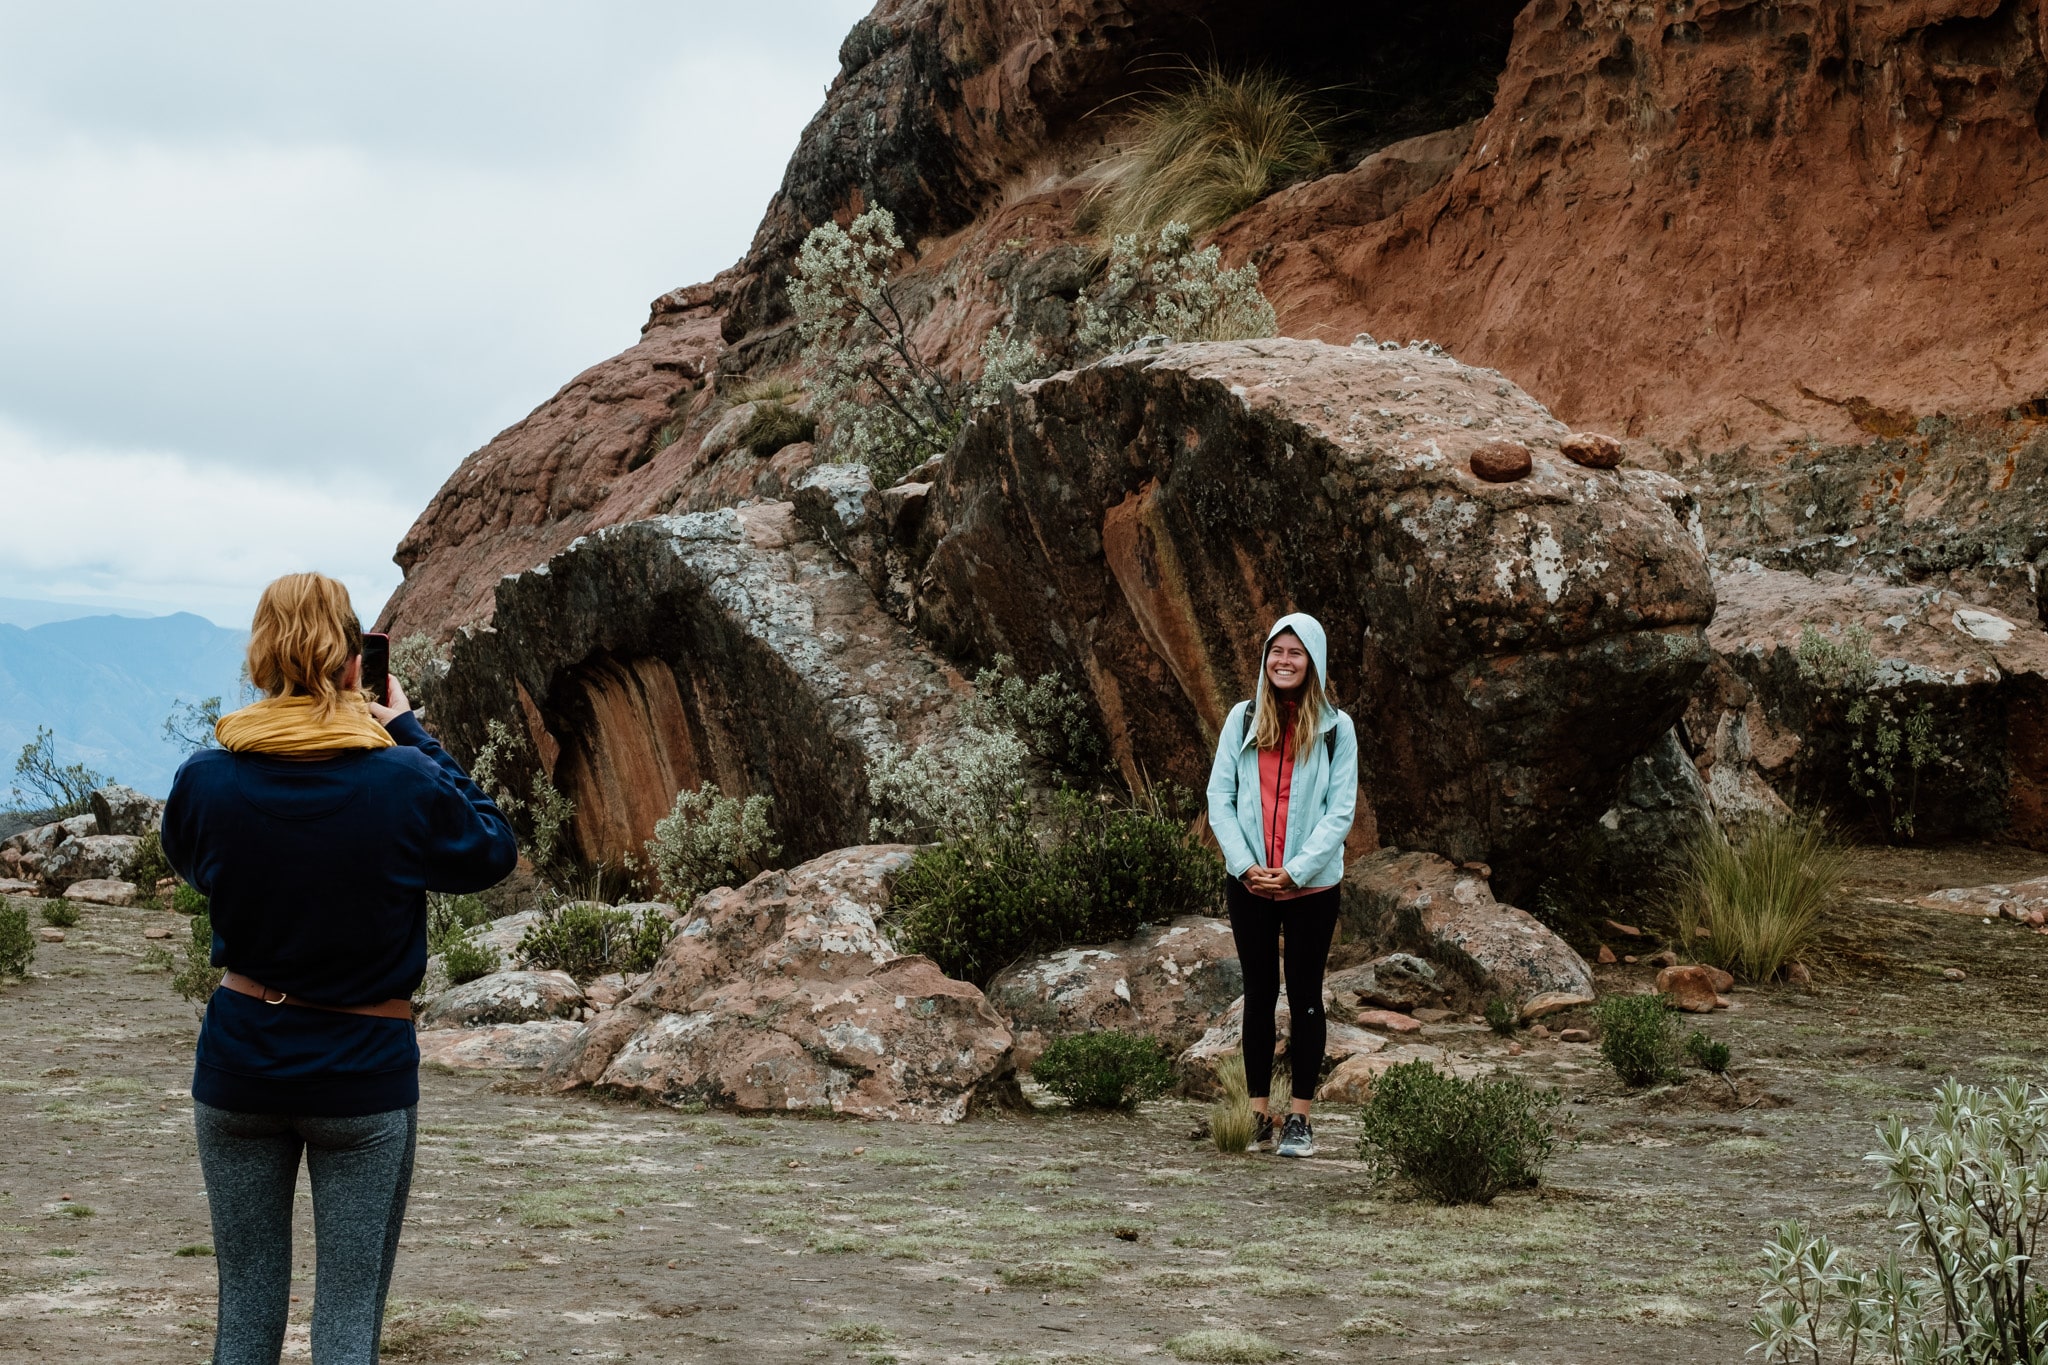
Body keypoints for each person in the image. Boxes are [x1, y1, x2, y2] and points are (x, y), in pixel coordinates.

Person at [162, 572, 518, 1365]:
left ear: (261, 654)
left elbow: (194, 863)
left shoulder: (206, 777)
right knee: (348, 1326)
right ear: (355, 662)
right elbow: (491, 849)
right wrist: (411, 729)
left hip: (240, 1065)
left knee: (245, 1312)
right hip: (362, 1073)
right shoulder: (404, 778)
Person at [1205, 612, 1357, 1158]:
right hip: (1249, 885)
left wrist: (1295, 871)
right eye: (1276, 652)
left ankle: (1300, 1119)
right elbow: (1218, 798)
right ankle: (1257, 1115)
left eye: (1295, 653)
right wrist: (1246, 866)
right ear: (1266, 659)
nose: (1284, 661)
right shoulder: (1242, 718)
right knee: (1259, 998)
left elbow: (1340, 814)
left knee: (1307, 997)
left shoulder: (1337, 728)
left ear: (1312, 661)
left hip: (1312, 889)